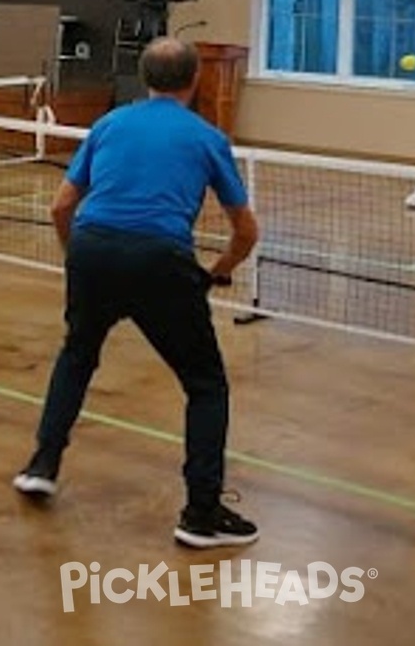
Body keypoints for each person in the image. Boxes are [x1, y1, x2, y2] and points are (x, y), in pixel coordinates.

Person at [13, 37, 261, 549]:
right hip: (160, 261)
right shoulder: (207, 137)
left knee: (78, 354)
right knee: (206, 384)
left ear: (146, 79)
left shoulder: (108, 124)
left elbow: (61, 207)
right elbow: (246, 232)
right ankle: (200, 514)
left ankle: (42, 464)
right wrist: (216, 272)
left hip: (93, 250)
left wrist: (76, 256)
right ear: (196, 80)